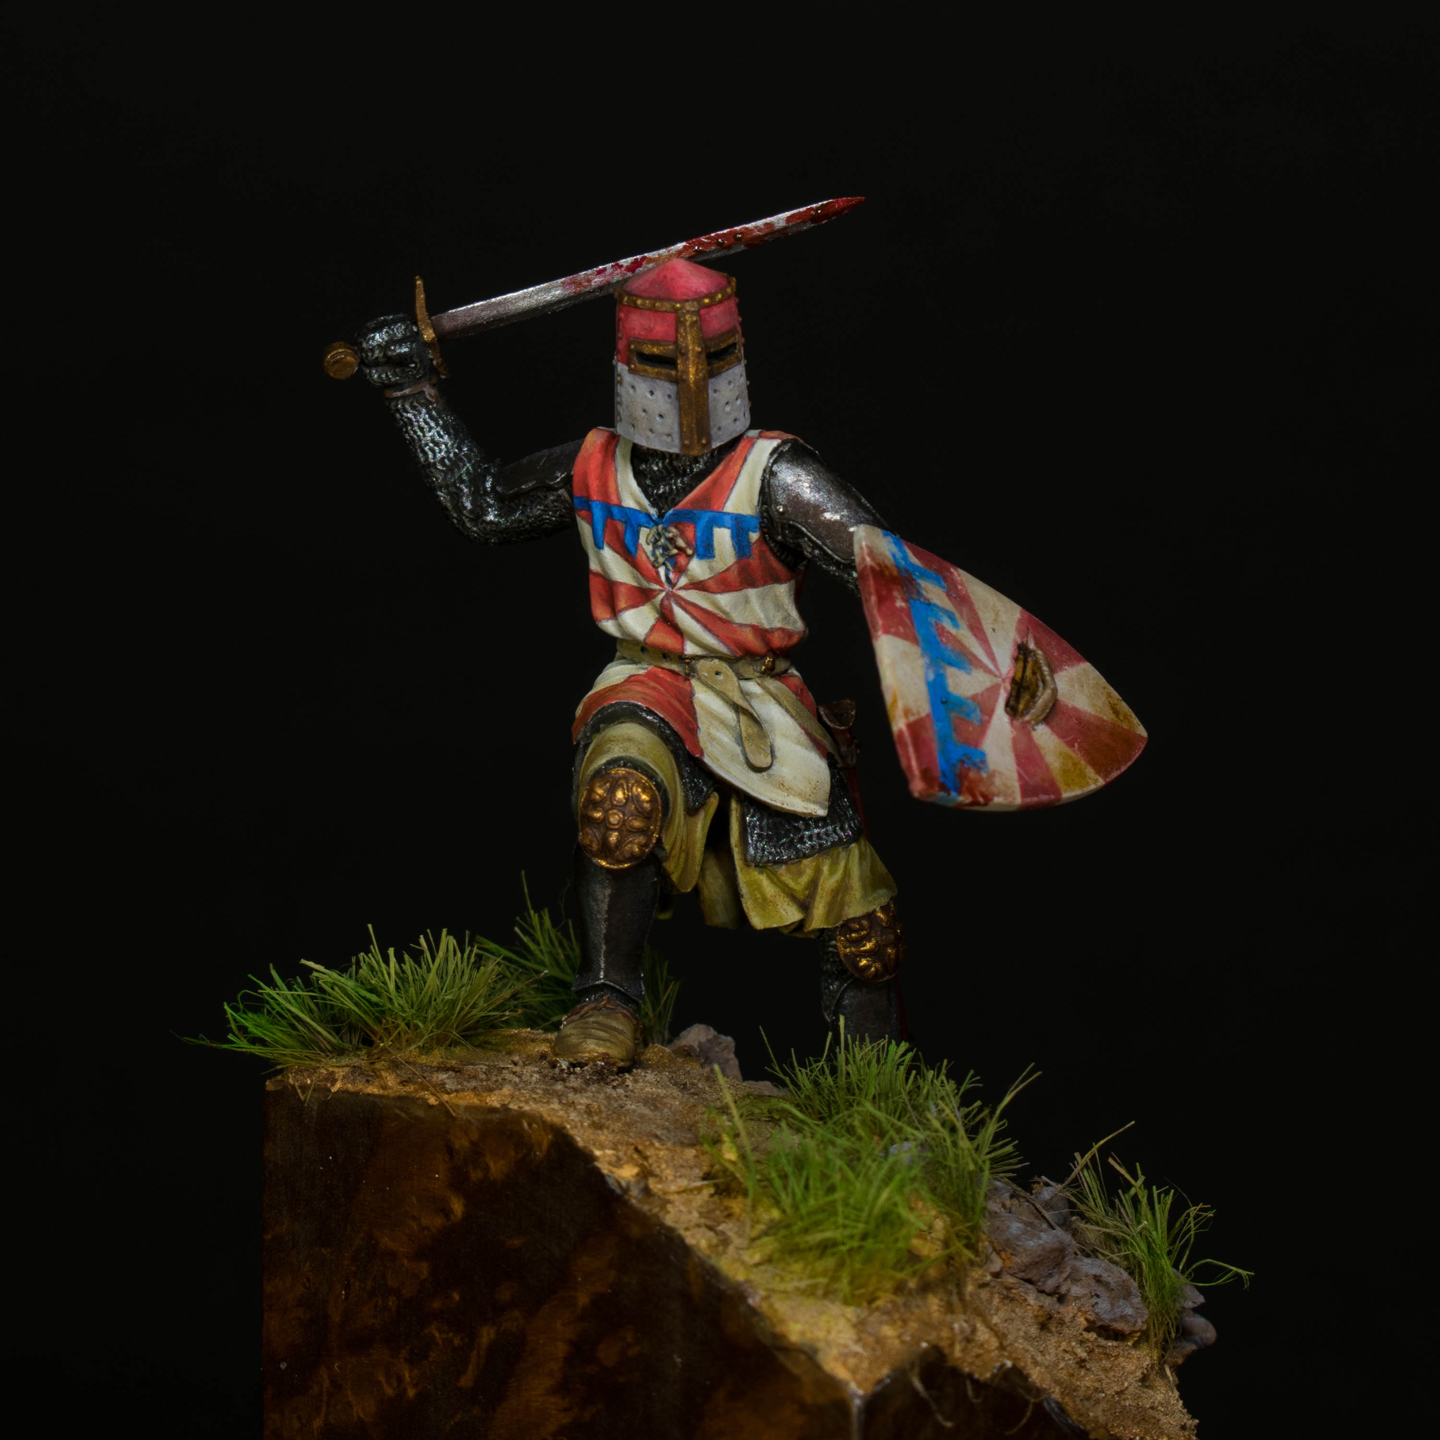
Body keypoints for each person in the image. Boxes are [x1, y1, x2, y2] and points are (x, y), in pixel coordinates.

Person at [353, 258, 905, 1068]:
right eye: (661, 361)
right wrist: (411, 393)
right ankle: (606, 1000)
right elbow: (485, 505)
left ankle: (875, 1086)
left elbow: (891, 577)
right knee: (620, 798)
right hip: (647, 685)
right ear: (626, 364)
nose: (687, 381)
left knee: (866, 931)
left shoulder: (777, 477)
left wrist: (978, 672)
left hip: (763, 705)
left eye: (711, 358)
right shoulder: (593, 467)